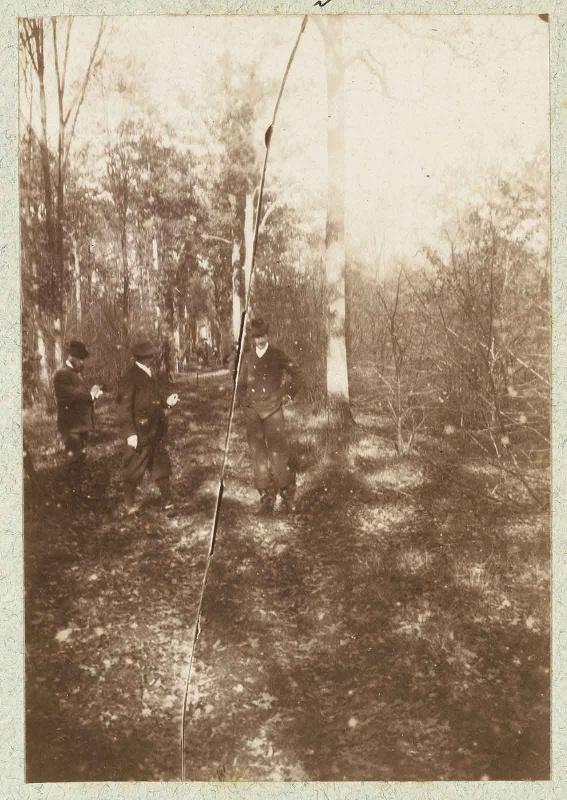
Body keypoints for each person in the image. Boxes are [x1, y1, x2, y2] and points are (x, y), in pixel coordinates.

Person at [237, 317, 301, 515]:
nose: (260, 340)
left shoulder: (277, 355)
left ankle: (287, 496)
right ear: (252, 338)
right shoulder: (247, 358)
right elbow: (239, 383)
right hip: (253, 412)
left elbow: (297, 374)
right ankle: (266, 498)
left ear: (268, 335)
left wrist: (287, 394)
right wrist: (243, 401)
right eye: (256, 337)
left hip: (273, 409)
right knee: (258, 455)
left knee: (278, 452)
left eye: (263, 336)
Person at [118, 337, 179, 514]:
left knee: (161, 466)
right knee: (133, 468)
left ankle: (168, 501)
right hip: (140, 432)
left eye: (152, 356)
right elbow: (123, 408)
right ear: (142, 358)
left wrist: (167, 402)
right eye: (150, 356)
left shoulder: (150, 374)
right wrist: (130, 433)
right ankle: (129, 504)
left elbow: (154, 398)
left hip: (155, 430)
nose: (153, 358)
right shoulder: (130, 377)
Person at [53, 340, 103, 498]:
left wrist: (92, 395)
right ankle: (71, 495)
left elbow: (79, 396)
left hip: (80, 426)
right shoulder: (61, 374)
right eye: (80, 359)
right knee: (73, 459)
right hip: (71, 426)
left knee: (80, 458)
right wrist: (91, 395)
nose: (83, 362)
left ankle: (77, 492)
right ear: (72, 357)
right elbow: (71, 396)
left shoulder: (76, 374)